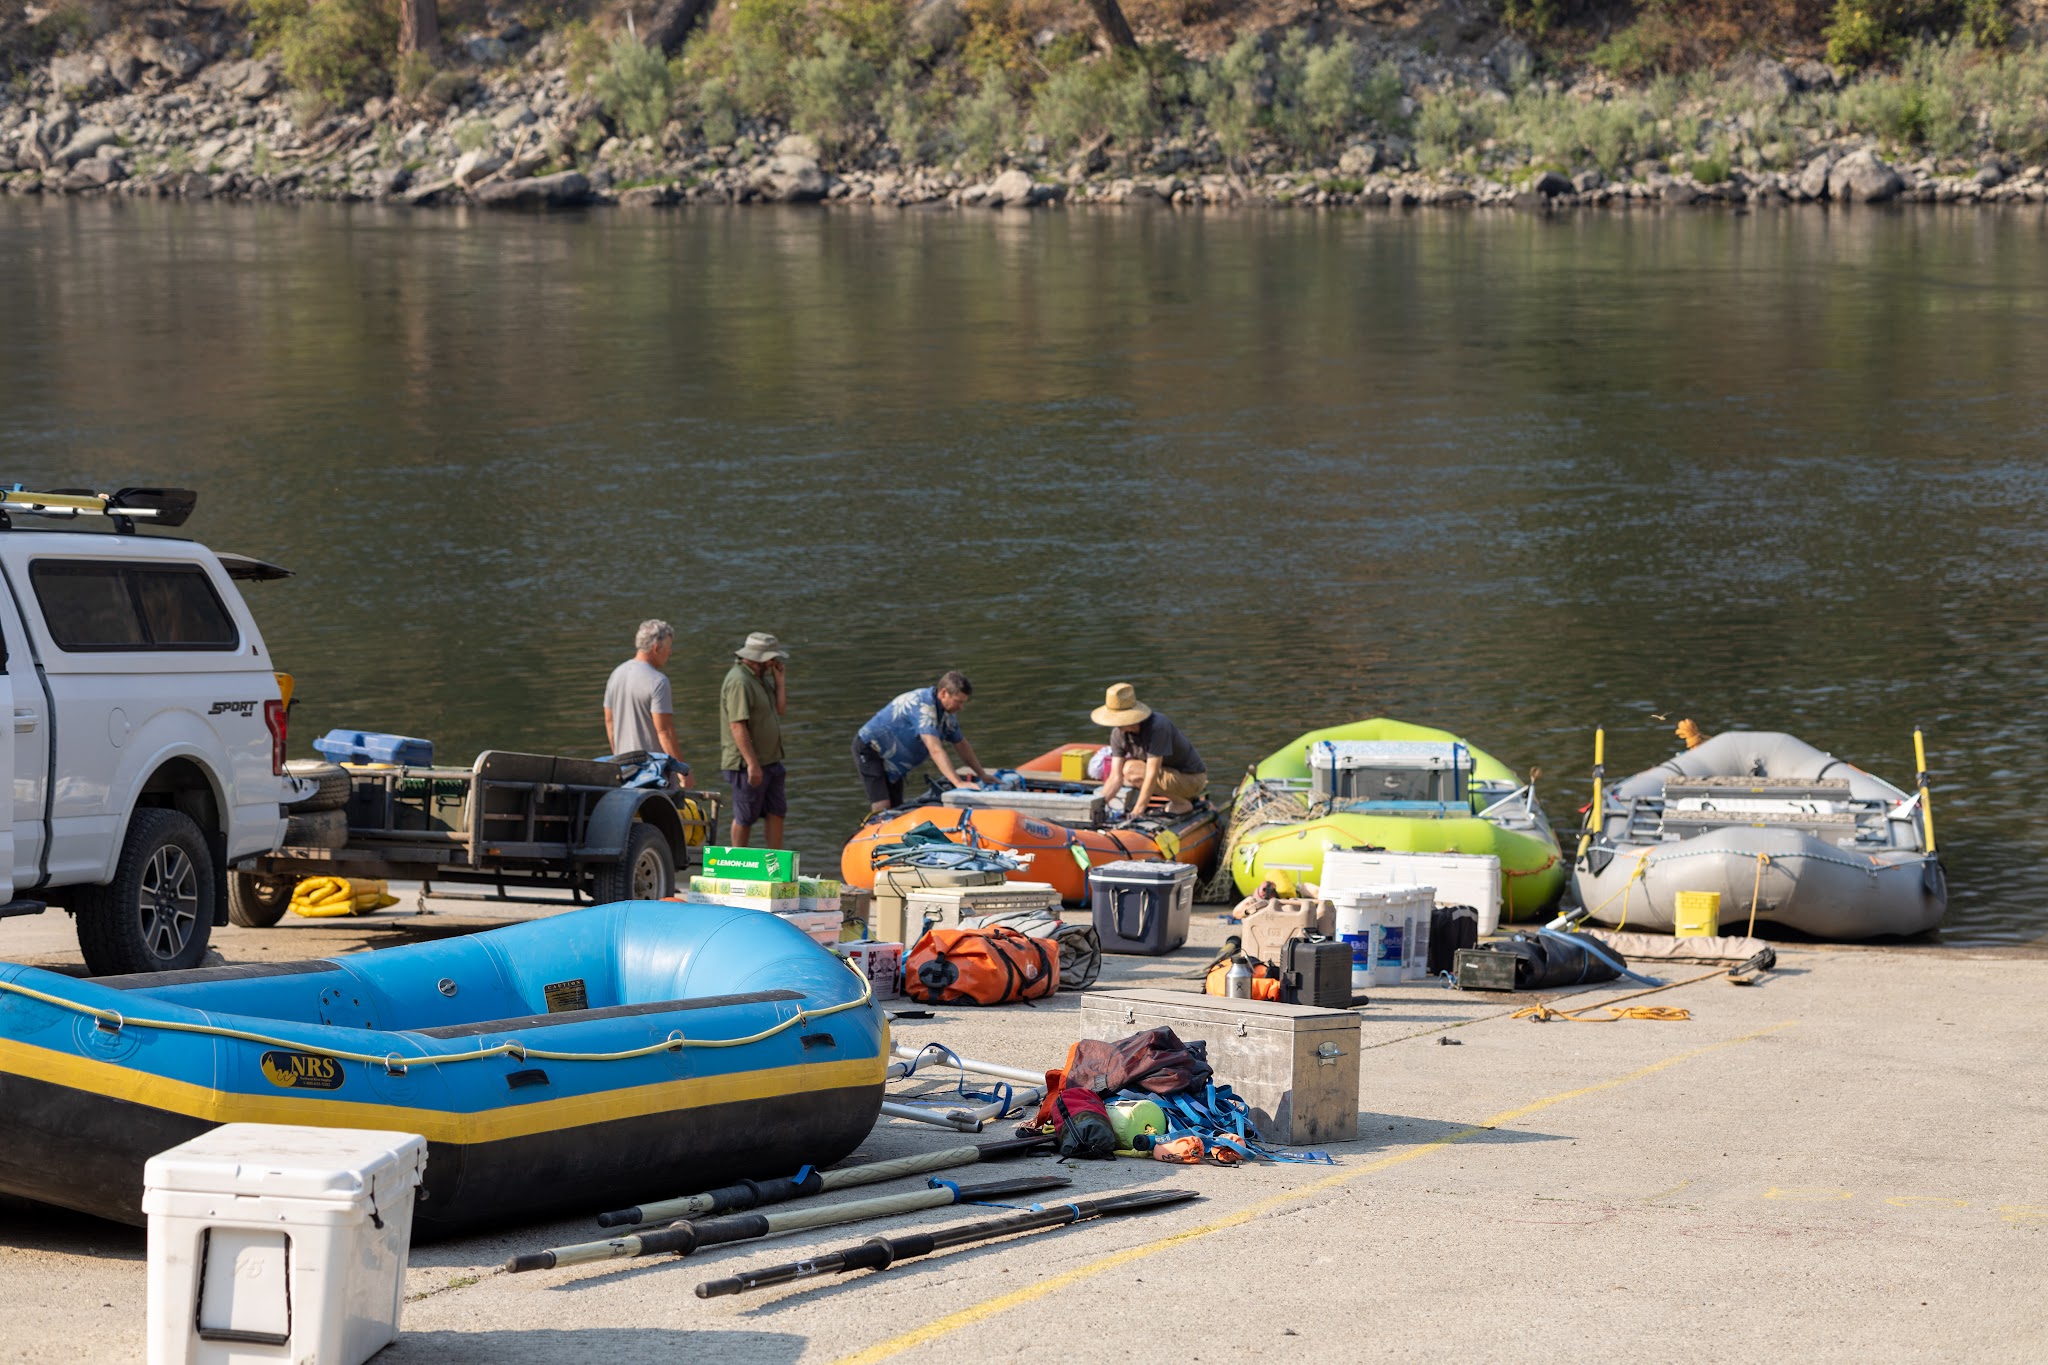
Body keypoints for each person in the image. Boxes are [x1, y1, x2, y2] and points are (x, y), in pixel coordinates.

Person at [853, 671, 989, 813]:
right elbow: (935, 749)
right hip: (870, 748)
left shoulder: (947, 715)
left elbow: (961, 744)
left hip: (894, 760)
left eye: (963, 703)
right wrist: (958, 783)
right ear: (943, 693)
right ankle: (873, 830)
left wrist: (982, 775)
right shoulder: (922, 707)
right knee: (883, 804)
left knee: (896, 807)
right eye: (958, 702)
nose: (961, 707)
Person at [1091, 682, 1208, 818]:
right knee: (1127, 775)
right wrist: (1098, 805)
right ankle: (1179, 801)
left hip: (1191, 779)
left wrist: (1137, 811)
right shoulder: (1118, 735)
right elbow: (1115, 777)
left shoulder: (1157, 726)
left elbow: (1152, 773)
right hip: (1167, 778)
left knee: (1131, 769)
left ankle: (1181, 803)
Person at [602, 619, 693, 787]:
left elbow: (609, 721)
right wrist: (682, 772)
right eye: (668, 648)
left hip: (624, 771)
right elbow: (664, 732)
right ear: (656, 648)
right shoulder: (658, 681)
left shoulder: (616, 674)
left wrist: (618, 756)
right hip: (655, 773)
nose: (670, 652)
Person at [720, 631, 789, 848]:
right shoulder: (740, 681)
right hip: (746, 765)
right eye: (770, 658)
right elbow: (737, 725)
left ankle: (776, 867)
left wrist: (780, 681)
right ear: (758, 658)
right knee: (745, 817)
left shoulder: (759, 678)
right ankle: (737, 866)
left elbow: (780, 709)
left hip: (771, 761)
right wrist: (752, 764)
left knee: (777, 812)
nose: (773, 662)